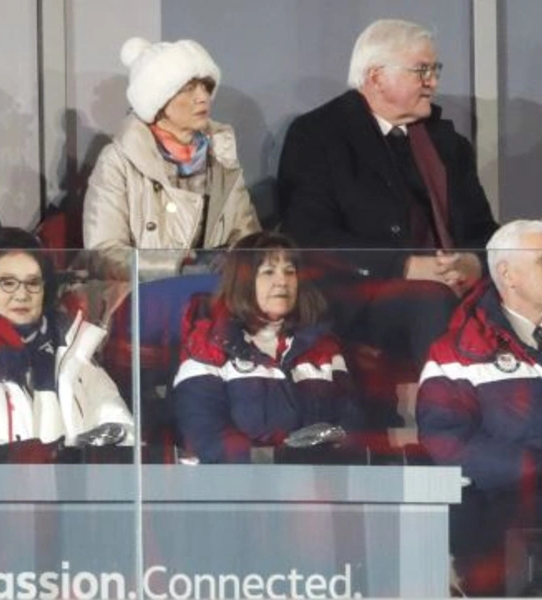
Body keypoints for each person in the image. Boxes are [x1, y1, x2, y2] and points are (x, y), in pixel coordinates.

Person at [276, 18, 499, 426]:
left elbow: (485, 231)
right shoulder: (319, 134)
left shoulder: (447, 144)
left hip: (456, 284)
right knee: (430, 299)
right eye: (421, 70)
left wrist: (471, 262)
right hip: (356, 291)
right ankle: (449, 433)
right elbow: (309, 234)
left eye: (435, 70)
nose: (432, 81)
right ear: (376, 76)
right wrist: (404, 265)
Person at [0, 227, 134, 463]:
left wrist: (94, 453)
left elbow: (116, 420)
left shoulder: (74, 348)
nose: (22, 294)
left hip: (77, 493)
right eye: (8, 283)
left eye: (33, 283)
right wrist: (28, 462)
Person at [417, 219, 542, 595]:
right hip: (504, 513)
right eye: (541, 260)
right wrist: (533, 468)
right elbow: (447, 443)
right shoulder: (456, 352)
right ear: (508, 274)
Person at [173, 232, 360, 463]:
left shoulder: (324, 346)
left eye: (290, 271)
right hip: (236, 488)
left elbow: (351, 421)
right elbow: (204, 432)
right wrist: (271, 464)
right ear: (242, 281)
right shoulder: (207, 344)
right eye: (268, 272)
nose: (282, 281)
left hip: (315, 486)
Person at [83, 36, 260, 274]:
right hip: (146, 299)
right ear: (157, 101)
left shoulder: (220, 154)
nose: (202, 97)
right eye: (187, 88)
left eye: (206, 86)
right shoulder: (119, 160)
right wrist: (178, 266)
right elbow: (103, 252)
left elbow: (249, 240)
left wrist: (228, 265)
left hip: (216, 297)